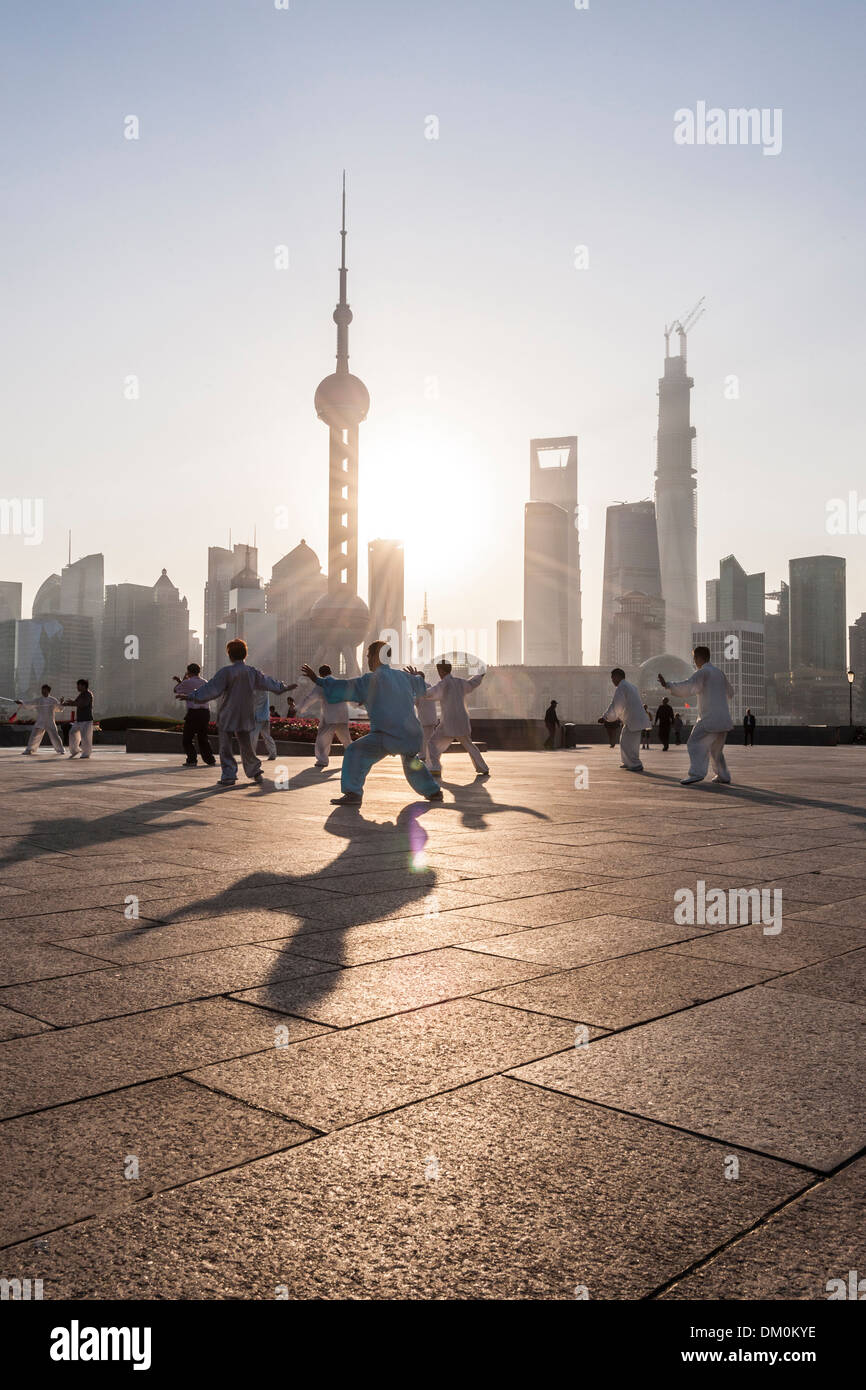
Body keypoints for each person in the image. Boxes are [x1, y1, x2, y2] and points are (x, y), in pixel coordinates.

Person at [301, 641, 443, 807]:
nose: (367, 659)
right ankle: (434, 792)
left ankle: (352, 792)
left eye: (369, 656)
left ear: (376, 656)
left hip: (388, 735)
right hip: (411, 735)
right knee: (412, 763)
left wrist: (318, 680)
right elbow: (421, 687)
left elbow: (343, 687)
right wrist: (416, 676)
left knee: (355, 752)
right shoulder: (403, 677)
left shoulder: (370, 680)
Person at [192, 638, 292, 787]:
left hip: (228, 713)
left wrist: (192, 696)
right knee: (245, 744)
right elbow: (268, 682)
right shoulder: (252, 672)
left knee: (225, 746)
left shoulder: (226, 672)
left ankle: (229, 775)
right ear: (245, 654)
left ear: (230, 655)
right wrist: (283, 687)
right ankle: (254, 770)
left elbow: (212, 689)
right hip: (245, 714)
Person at [658, 646, 734, 786]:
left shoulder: (703, 672)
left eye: (694, 658)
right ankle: (723, 775)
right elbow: (731, 693)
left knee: (694, 743)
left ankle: (696, 773)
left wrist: (667, 685)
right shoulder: (719, 673)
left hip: (709, 718)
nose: (694, 661)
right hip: (724, 719)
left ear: (699, 658)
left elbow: (688, 686)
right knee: (716, 750)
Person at [423, 660, 489, 778]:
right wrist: (480, 675)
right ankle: (483, 767)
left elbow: (429, 693)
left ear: (441, 671)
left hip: (448, 722)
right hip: (461, 721)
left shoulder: (443, 684)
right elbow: (472, 683)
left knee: (432, 743)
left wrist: (416, 688)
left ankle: (435, 768)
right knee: (469, 745)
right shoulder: (459, 683)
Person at [296, 665, 352, 769]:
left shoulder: (322, 684)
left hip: (330, 716)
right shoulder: (338, 682)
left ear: (320, 674)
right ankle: (354, 759)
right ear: (330, 671)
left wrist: (300, 708)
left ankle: (322, 760)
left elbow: (311, 698)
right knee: (346, 740)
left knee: (323, 739)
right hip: (343, 715)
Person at [599, 668, 651, 772]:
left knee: (629, 743)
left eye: (613, 678)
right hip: (635, 718)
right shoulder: (630, 686)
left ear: (618, 676)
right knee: (626, 741)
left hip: (633, 719)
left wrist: (605, 717)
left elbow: (616, 704)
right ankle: (628, 762)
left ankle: (635, 764)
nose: (612, 680)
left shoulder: (622, 687)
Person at [173, 664, 216, 768]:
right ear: (199, 672)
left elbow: (176, 690)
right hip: (205, 713)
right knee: (203, 737)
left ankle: (192, 760)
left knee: (187, 738)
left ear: (188, 672)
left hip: (194, 713)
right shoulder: (205, 682)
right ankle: (210, 760)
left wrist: (181, 680)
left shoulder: (187, 682)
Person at [251, 682, 296, 761]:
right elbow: (274, 685)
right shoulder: (265, 689)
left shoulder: (255, 690)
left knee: (253, 737)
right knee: (267, 736)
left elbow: (253, 703)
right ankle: (273, 753)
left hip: (257, 717)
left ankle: (252, 755)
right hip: (265, 716)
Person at [18, 685, 65, 755]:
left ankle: (61, 750)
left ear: (48, 691)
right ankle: (29, 750)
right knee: (34, 736)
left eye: (45, 690)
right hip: (40, 721)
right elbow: (29, 703)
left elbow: (59, 709)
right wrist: (21, 702)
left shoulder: (53, 700)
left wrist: (61, 703)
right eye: (42, 690)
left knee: (55, 736)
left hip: (50, 721)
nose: (43, 691)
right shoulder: (38, 700)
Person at [62, 679, 94, 759]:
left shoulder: (88, 694)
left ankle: (86, 754)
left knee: (85, 737)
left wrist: (72, 703)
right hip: (79, 720)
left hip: (87, 720)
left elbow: (83, 704)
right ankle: (75, 750)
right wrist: (64, 704)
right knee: (72, 733)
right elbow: (75, 703)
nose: (77, 687)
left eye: (78, 685)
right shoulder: (81, 694)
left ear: (83, 686)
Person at [415, 681, 439, 762]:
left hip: (424, 718)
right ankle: (432, 755)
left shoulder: (418, 689)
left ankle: (422, 755)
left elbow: (415, 702)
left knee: (423, 738)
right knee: (431, 738)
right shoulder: (430, 686)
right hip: (432, 718)